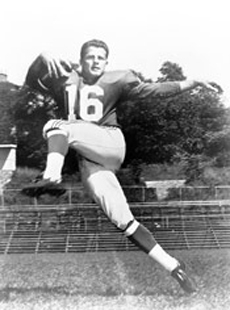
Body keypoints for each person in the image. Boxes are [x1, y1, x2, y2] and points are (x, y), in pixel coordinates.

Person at [22, 39, 217, 293]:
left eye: (101, 58)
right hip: (89, 160)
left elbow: (154, 90)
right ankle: (174, 267)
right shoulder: (64, 79)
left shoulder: (117, 79)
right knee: (123, 221)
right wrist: (42, 57)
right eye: (90, 57)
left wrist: (191, 83)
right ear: (80, 60)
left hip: (110, 142)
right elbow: (30, 83)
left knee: (54, 126)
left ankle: (51, 175)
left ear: (106, 62)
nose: (95, 62)